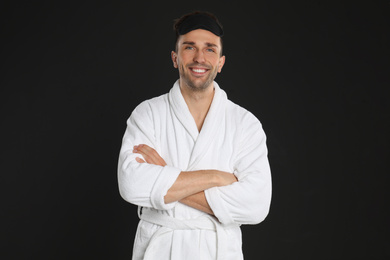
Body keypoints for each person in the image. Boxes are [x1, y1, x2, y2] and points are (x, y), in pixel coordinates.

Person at [118, 11, 272, 260]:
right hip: (160, 248)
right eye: (189, 47)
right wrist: (215, 177)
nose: (200, 57)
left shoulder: (245, 124)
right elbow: (131, 184)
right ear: (175, 58)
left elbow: (256, 206)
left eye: (210, 49)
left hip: (219, 251)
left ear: (221, 62)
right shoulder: (147, 114)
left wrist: (164, 173)